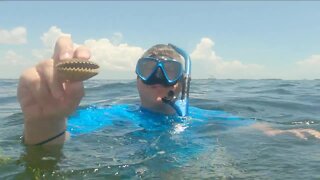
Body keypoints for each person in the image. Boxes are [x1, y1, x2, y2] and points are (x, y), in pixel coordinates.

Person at [17, 36, 320, 146]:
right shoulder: (112, 117)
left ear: (182, 81)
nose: (158, 79)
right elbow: (61, 141)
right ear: (136, 78)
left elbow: (264, 130)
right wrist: (46, 123)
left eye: (170, 71)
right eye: (148, 69)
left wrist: (286, 133)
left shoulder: (203, 117)